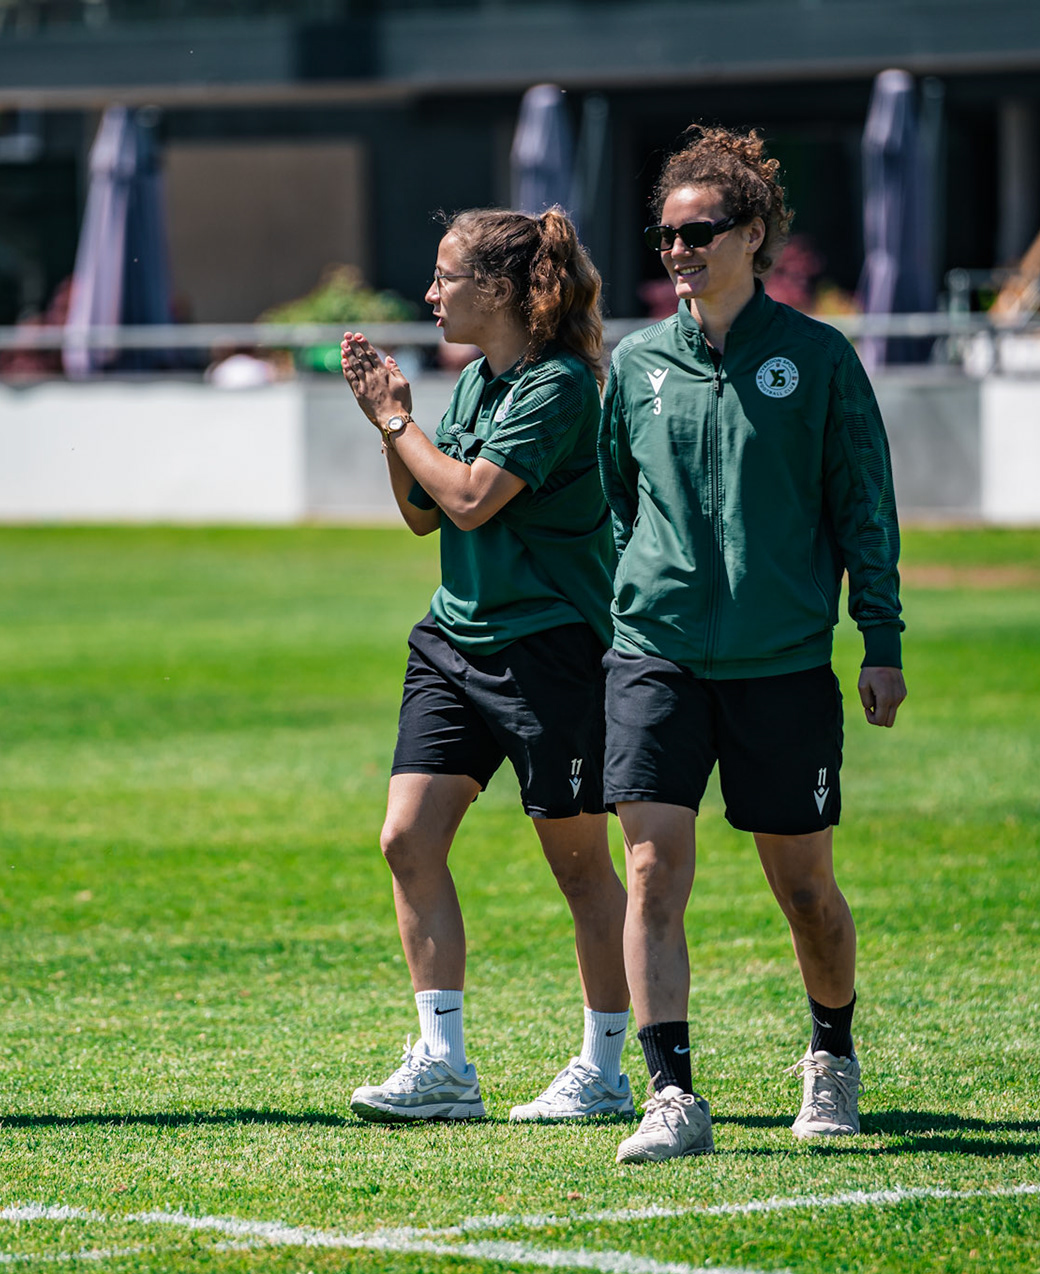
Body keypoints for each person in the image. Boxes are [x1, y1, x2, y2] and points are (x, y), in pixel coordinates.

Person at [599, 127, 906, 1164]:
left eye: (699, 231)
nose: (678, 250)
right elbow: (615, 501)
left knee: (806, 890)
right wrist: (637, 591)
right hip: (656, 654)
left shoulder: (819, 358)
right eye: (666, 234)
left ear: (753, 233)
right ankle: (671, 1091)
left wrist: (881, 636)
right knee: (650, 869)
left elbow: (865, 506)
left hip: (782, 662)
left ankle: (831, 1055)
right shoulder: (636, 362)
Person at [338, 207, 634, 1124]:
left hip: (553, 652)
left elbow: (467, 499)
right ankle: (443, 1065)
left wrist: (397, 421)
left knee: (581, 869)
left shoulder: (558, 388)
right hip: (454, 641)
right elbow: (423, 514)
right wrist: (393, 425)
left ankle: (608, 1068)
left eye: (445, 277)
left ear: (502, 290)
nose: (430, 295)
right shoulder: (472, 384)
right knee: (406, 839)